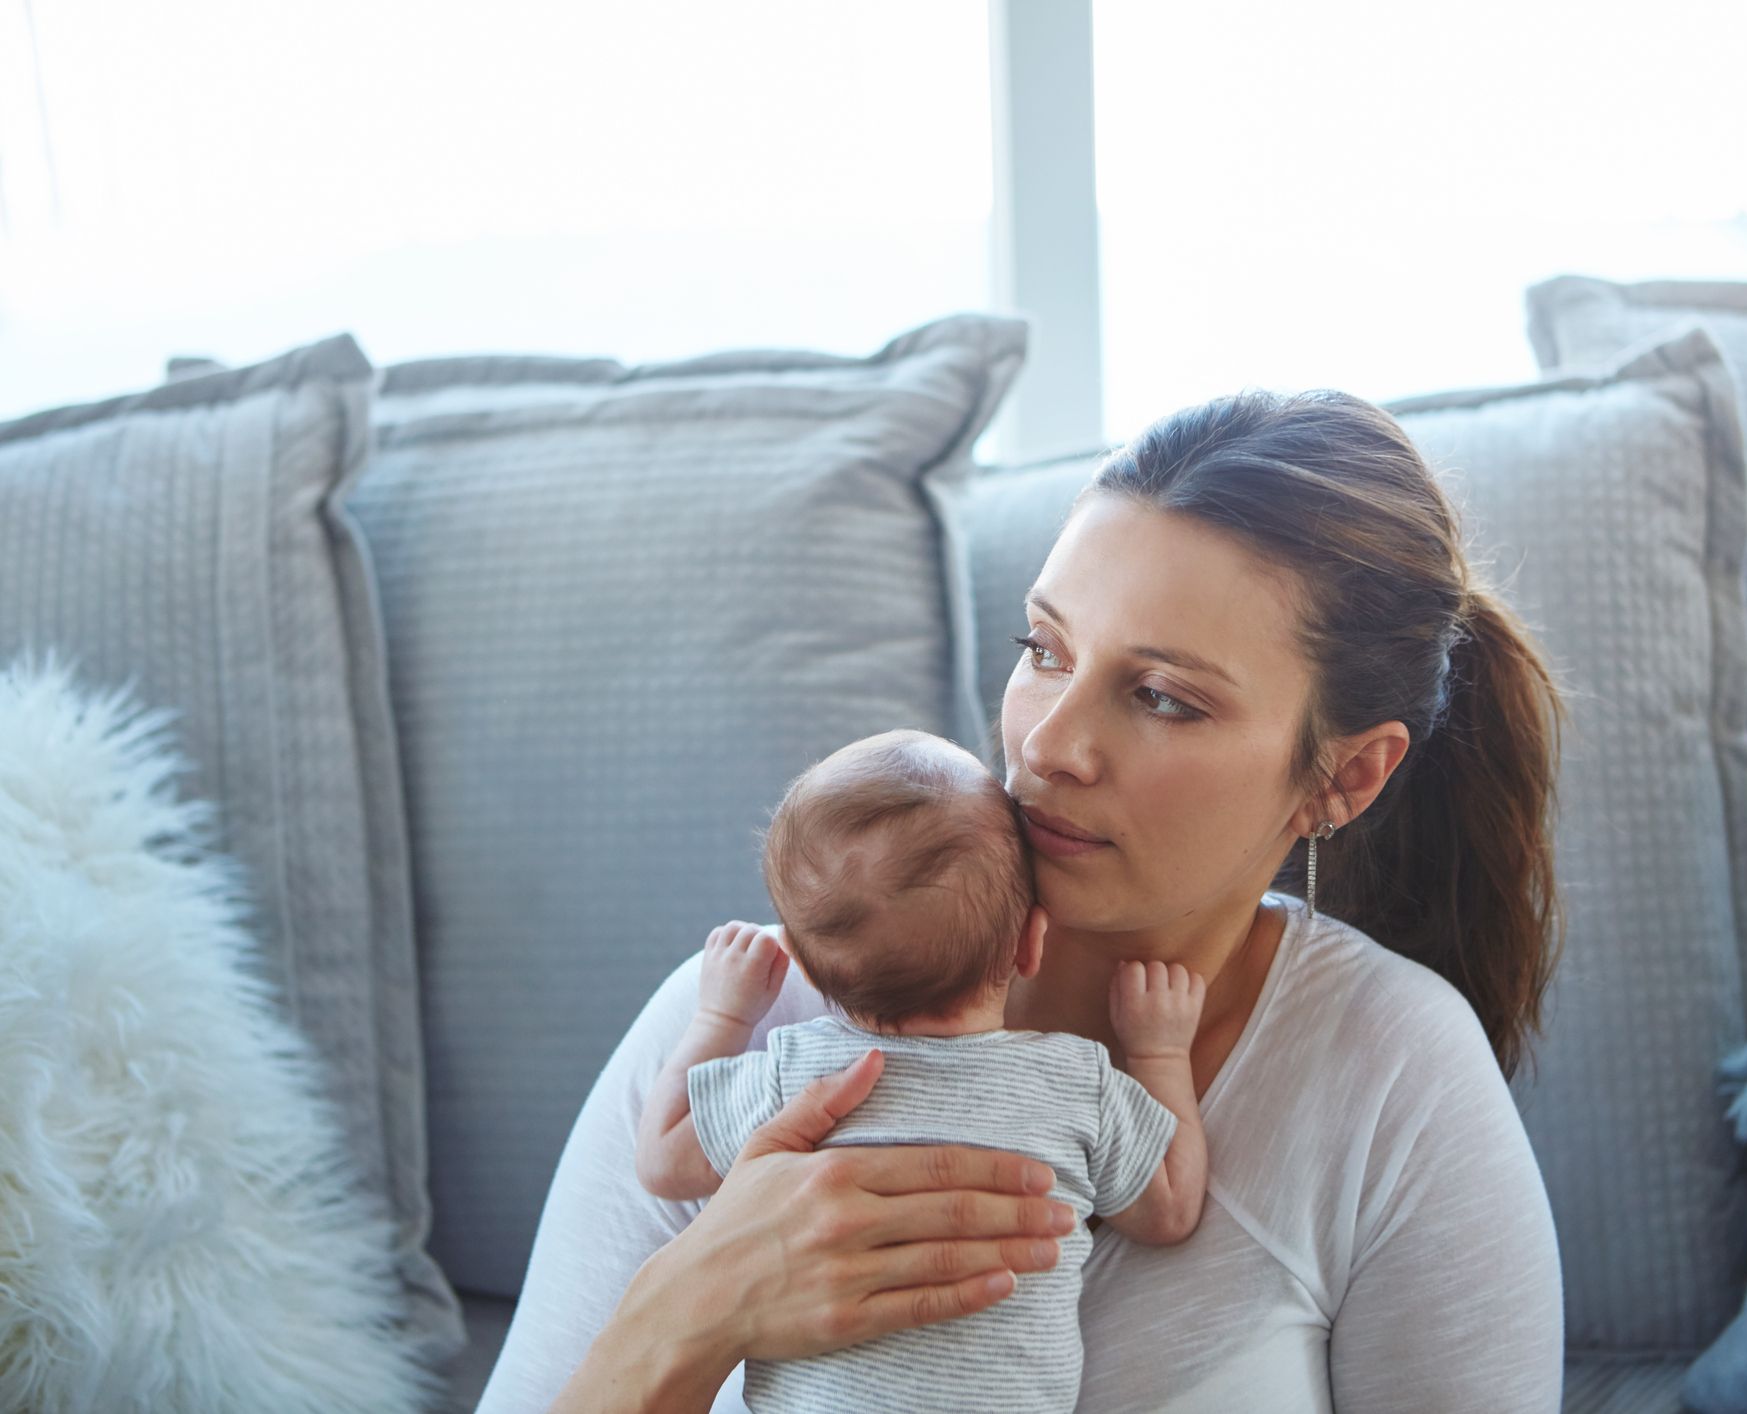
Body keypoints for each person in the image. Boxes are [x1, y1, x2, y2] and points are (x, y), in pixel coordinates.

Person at [479, 387, 1572, 1413]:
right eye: (1043, 649)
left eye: (1161, 698)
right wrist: (697, 1303)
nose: (1046, 745)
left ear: (1347, 776)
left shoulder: (1395, 1078)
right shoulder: (750, 1016)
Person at [630, 728, 1209, 1412]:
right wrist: (1161, 1052)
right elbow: (1168, 1208)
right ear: (1032, 943)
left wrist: (722, 1018)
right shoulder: (1071, 1081)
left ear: (804, 969)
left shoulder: (799, 1076)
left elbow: (665, 1161)